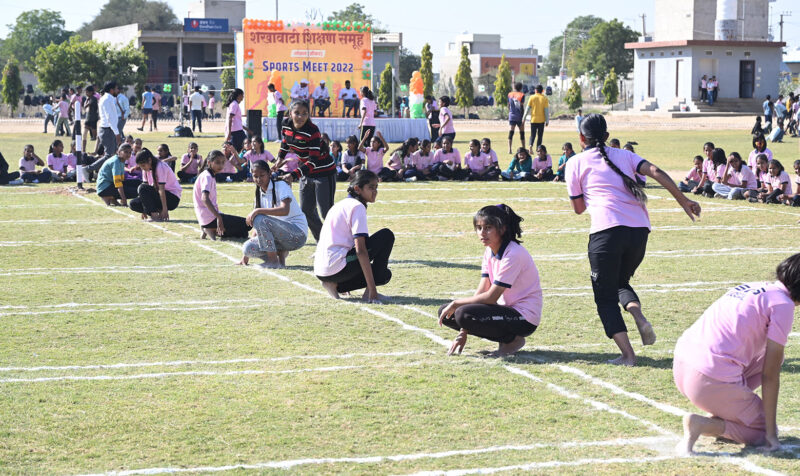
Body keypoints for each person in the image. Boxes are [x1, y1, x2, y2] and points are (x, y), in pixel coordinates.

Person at [565, 113, 701, 366]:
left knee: (604, 297)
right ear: (606, 136)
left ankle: (628, 355)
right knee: (620, 282)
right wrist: (684, 201)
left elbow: (578, 208)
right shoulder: (625, 155)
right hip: (639, 230)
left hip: (606, 231)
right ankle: (639, 318)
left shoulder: (575, 162)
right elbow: (656, 171)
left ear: (581, 138)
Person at [674, 253, 800, 455]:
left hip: (682, 365)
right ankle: (701, 425)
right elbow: (770, 375)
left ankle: (723, 410)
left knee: (769, 359)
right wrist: (770, 434)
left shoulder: (755, 286)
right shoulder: (783, 305)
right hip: (707, 379)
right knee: (762, 431)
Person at [439, 204, 541, 357]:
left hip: (524, 318)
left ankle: (512, 340)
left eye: (488, 227)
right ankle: (507, 339)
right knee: (446, 312)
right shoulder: (489, 251)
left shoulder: (514, 253)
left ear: (502, 228)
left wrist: (457, 303)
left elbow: (491, 297)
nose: (482, 233)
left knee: (461, 312)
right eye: (479, 228)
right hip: (504, 311)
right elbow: (482, 291)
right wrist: (463, 330)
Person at [314, 170, 393, 303]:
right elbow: (360, 251)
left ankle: (335, 284)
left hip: (322, 270)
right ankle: (369, 293)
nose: (375, 191)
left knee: (385, 275)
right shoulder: (357, 207)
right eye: (371, 187)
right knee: (386, 236)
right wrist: (372, 290)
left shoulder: (339, 205)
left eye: (376, 187)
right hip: (336, 266)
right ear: (357, 189)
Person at [277, 99, 337, 241]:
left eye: (305, 113)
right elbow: (286, 141)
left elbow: (313, 161)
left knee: (326, 212)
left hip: (323, 172)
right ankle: (323, 242)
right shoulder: (285, 124)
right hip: (306, 172)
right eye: (297, 113)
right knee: (306, 211)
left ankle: (338, 243)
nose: (301, 117)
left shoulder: (313, 130)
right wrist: (280, 158)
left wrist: (293, 175)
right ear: (290, 113)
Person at [239, 160, 309, 268]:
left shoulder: (281, 185)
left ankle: (273, 261)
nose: (258, 179)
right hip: (280, 237)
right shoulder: (259, 193)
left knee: (259, 218)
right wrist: (245, 257)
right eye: (255, 176)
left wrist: (258, 211)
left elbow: (284, 210)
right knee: (248, 249)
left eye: (262, 175)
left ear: (270, 174)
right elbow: (258, 227)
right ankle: (280, 257)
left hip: (297, 235)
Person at [193, 150, 251, 240]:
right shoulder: (207, 176)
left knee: (244, 232)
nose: (221, 165)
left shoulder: (209, 175)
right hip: (210, 218)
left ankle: (209, 229)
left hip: (206, 218)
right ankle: (209, 229)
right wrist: (218, 217)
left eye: (223, 162)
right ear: (209, 163)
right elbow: (204, 199)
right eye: (217, 163)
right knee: (247, 224)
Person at [129, 148, 181, 221]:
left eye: (143, 165)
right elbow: (144, 192)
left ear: (150, 160)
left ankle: (154, 216)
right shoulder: (146, 169)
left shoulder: (160, 166)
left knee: (142, 187)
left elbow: (161, 189)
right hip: (157, 196)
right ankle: (157, 212)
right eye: (140, 166)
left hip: (172, 198)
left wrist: (165, 209)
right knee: (133, 203)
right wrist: (144, 208)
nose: (142, 168)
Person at [97, 81, 121, 162]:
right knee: (109, 155)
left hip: (109, 129)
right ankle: (88, 169)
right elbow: (110, 118)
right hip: (107, 130)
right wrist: (117, 133)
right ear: (111, 90)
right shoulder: (107, 99)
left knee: (113, 154)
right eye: (116, 89)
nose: (118, 91)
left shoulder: (109, 98)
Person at [523, 85, 549, 152]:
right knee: (540, 136)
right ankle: (538, 149)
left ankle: (530, 145)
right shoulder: (545, 98)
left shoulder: (532, 97)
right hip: (541, 120)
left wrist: (524, 118)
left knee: (532, 135)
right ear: (542, 91)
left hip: (533, 120)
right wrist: (547, 120)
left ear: (536, 90)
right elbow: (546, 111)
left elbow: (527, 108)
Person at [507, 82, 526, 153]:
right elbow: (521, 107)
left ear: (514, 87)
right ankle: (524, 148)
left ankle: (509, 149)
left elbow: (508, 105)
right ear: (521, 88)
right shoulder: (522, 95)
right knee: (522, 133)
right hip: (519, 116)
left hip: (512, 116)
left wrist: (511, 112)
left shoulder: (510, 94)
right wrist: (523, 117)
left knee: (511, 132)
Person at [82, 86, 100, 155]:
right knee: (84, 134)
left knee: (95, 137)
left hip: (93, 119)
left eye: (87, 92)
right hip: (88, 118)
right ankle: (83, 150)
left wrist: (87, 101)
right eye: (86, 92)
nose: (86, 93)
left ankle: (95, 151)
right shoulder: (89, 98)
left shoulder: (93, 99)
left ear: (91, 92)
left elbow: (86, 105)